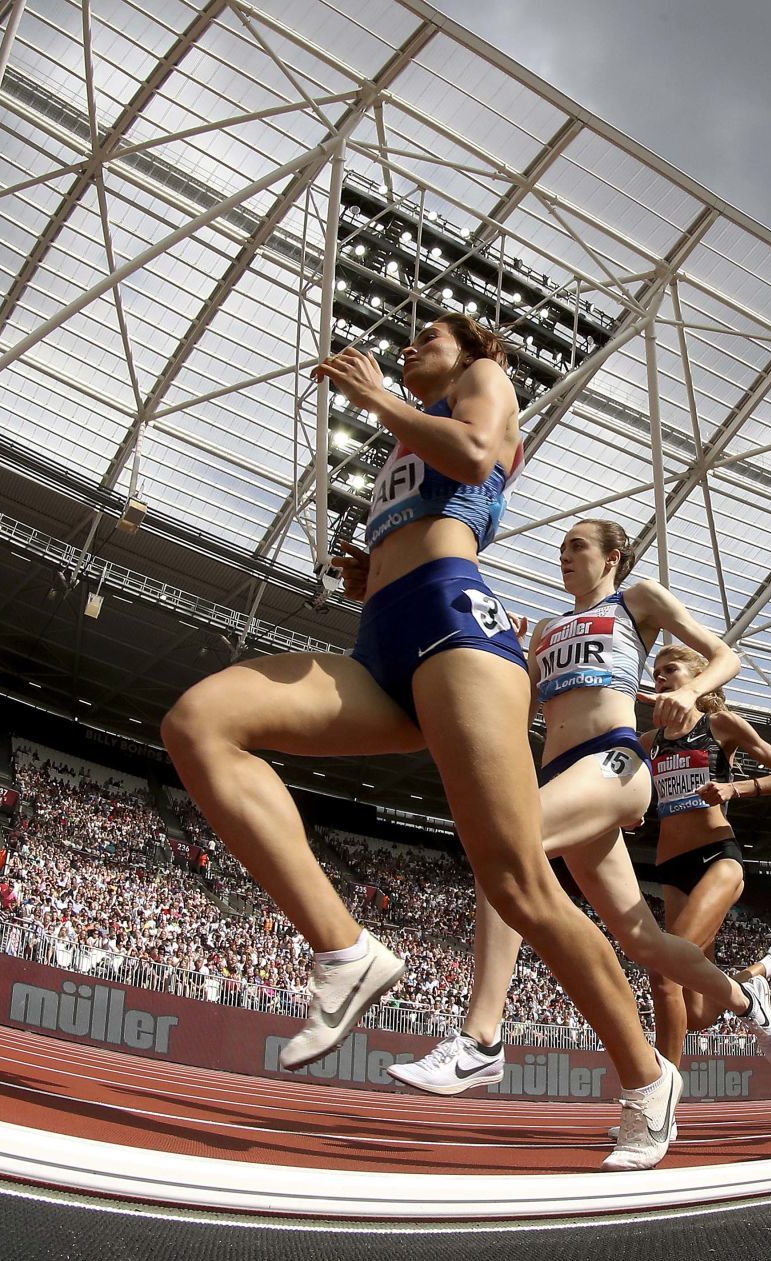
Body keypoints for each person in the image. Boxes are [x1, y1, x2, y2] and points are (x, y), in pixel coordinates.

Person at [162, 318, 678, 1171]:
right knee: (199, 724)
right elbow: (430, 503)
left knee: (520, 886)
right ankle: (346, 949)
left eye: (425, 339)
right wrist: (372, 571)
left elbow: (477, 457)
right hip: (382, 641)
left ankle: (646, 1080)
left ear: (473, 351)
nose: (406, 349)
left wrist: (377, 397)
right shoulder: (407, 433)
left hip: (457, 631)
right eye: (403, 348)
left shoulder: (486, 384)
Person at [389, 520, 771, 1102]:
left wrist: (687, 692)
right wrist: (491, 653)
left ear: (613, 558)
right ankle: (747, 999)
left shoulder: (638, 599)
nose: (565, 557)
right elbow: (513, 706)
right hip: (561, 774)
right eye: (560, 550)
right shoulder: (546, 630)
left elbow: (725, 654)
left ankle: (481, 1040)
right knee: (644, 941)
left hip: (615, 764)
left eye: (578, 546)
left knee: (505, 850)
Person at [639, 642, 771, 1067]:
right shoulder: (648, 742)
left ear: (698, 677)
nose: (659, 677)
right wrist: (629, 813)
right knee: (698, 1014)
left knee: (664, 972)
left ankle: (660, 1100)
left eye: (670, 669)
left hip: (718, 857)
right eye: (655, 671)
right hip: (671, 869)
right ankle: (762, 973)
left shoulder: (720, 724)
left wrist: (736, 788)